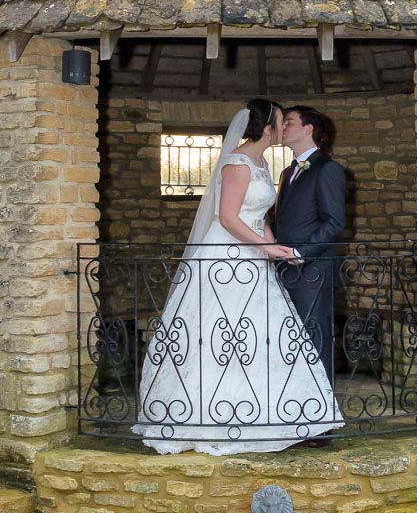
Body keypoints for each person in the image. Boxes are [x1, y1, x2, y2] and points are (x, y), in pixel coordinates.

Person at [132, 99, 344, 454]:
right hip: (227, 255)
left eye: (289, 122)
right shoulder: (238, 161)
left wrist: (273, 248)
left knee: (264, 335)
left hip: (258, 257)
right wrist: (269, 249)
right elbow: (229, 218)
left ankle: (276, 410)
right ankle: (208, 412)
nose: (283, 128)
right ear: (267, 127)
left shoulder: (264, 164)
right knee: (219, 330)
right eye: (281, 121)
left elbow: (260, 218)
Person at [272, 105, 346, 380]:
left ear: (308, 129)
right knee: (287, 337)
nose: (283, 127)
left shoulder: (328, 169)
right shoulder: (286, 173)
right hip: (282, 267)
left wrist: (300, 252)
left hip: (312, 270)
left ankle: (320, 403)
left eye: (289, 122)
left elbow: (334, 222)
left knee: (314, 336)